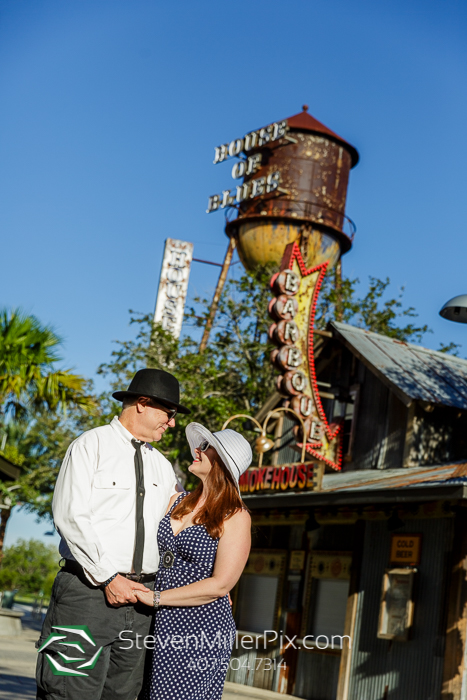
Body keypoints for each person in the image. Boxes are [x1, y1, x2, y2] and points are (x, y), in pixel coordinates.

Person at [36, 368, 190, 700]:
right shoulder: (90, 446)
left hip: (142, 601)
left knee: (123, 694)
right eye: (170, 413)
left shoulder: (163, 467)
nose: (172, 422)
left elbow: (185, 520)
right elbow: (70, 515)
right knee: (67, 691)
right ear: (143, 404)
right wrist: (108, 577)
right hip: (87, 594)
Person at [134, 421, 252, 700]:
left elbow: (221, 585)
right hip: (154, 620)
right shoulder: (177, 499)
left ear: (222, 461)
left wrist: (157, 597)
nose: (197, 449)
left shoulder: (235, 515)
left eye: (206, 446)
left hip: (199, 625)